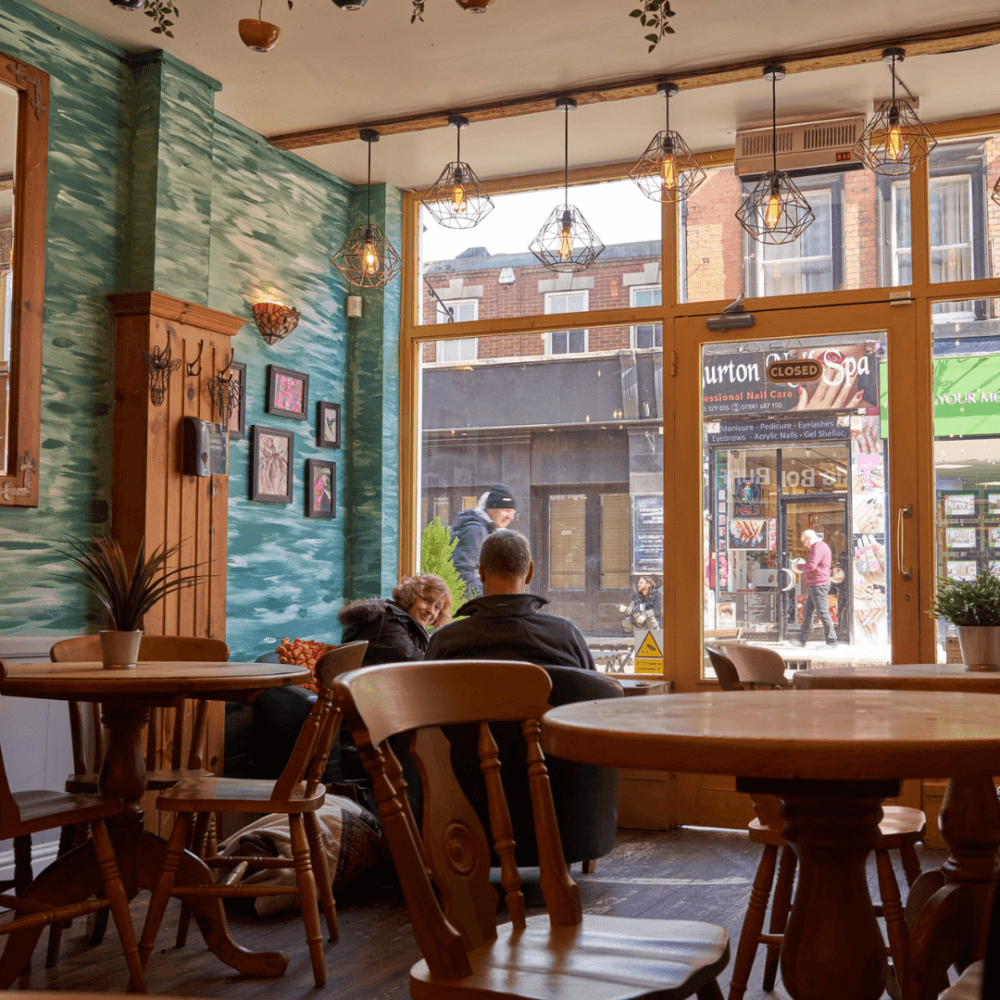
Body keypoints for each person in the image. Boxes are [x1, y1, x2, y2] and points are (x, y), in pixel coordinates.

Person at [426, 529, 595, 670]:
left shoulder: (446, 641)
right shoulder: (565, 635)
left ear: (481, 571)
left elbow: (421, 702)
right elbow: (593, 698)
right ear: (529, 573)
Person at [337, 573, 453, 664]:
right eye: (426, 600)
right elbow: (411, 661)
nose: (430, 610)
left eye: (437, 607)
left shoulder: (405, 624)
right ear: (411, 595)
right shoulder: (387, 619)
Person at [449, 484, 517, 596]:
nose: (511, 517)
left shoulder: (486, 529)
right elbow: (462, 574)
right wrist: (490, 598)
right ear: (491, 509)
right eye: (506, 510)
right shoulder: (476, 530)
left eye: (513, 513)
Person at [796, 528, 837, 647]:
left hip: (819, 584)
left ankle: (832, 641)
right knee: (807, 611)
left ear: (809, 538)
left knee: (823, 613)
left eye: (804, 541)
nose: (804, 544)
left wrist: (798, 566)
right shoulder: (822, 546)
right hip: (816, 584)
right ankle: (802, 640)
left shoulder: (817, 547)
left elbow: (811, 566)